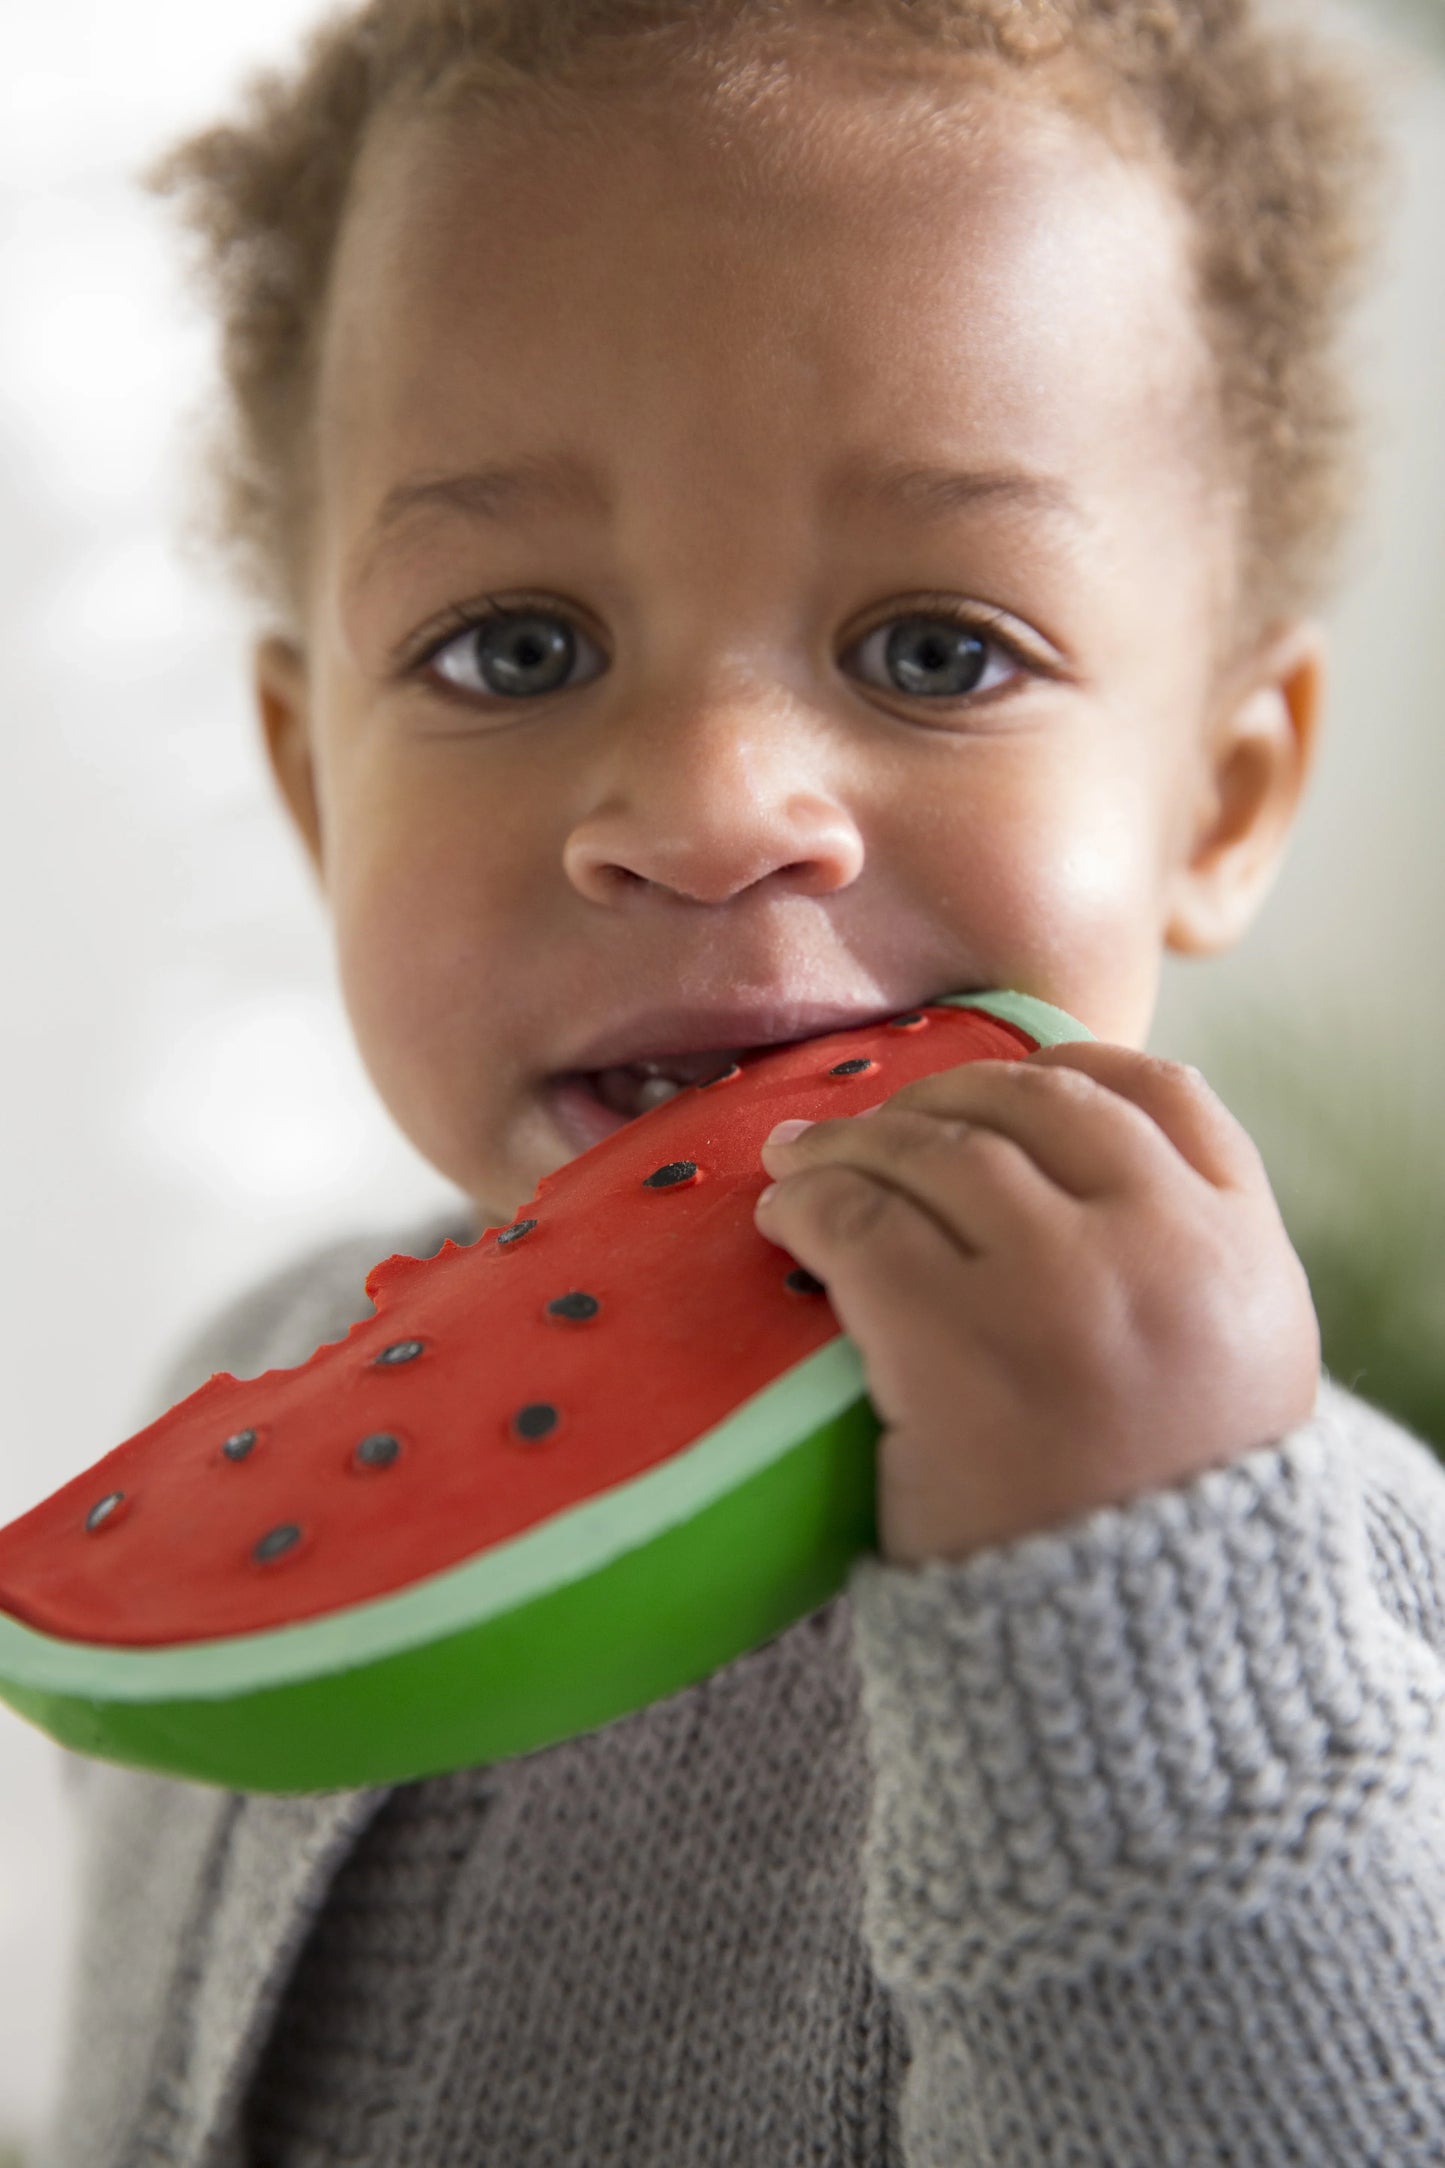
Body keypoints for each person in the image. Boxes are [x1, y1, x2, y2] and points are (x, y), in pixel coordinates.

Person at [39, 1, 1445, 2161]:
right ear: (320, 787)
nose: (708, 812)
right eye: (517, 647)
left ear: (1220, 798)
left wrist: (1129, 1610)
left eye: (935, 649)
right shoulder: (254, 1375)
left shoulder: (1330, 1578)